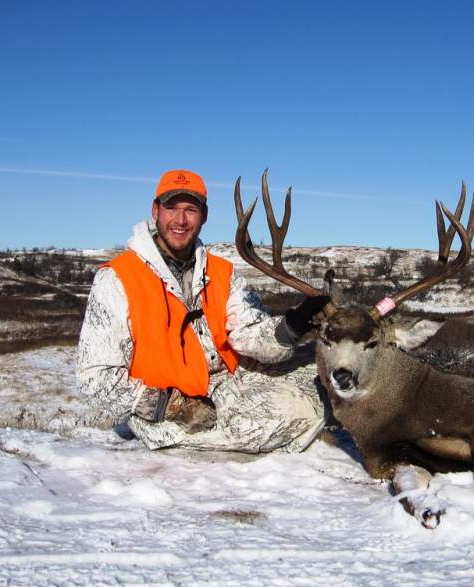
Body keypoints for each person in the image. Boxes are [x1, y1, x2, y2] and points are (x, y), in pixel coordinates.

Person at [77, 169, 329, 452]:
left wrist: (292, 324)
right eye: (171, 208)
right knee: (300, 410)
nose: (181, 220)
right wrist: (172, 405)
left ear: (204, 216)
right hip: (167, 412)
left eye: (191, 210)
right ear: (155, 210)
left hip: (229, 386)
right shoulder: (117, 279)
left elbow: (248, 334)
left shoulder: (221, 272)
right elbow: (95, 378)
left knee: (322, 372)